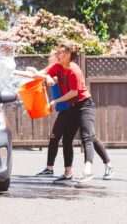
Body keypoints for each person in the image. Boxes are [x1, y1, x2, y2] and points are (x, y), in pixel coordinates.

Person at [39, 41, 113, 182]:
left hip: (84, 105)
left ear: (68, 55)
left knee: (88, 136)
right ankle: (68, 173)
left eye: (61, 53)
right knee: (67, 138)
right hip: (71, 107)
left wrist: (56, 101)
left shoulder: (74, 70)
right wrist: (40, 76)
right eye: (58, 52)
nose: (58, 55)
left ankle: (94, 168)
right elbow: (43, 74)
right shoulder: (58, 66)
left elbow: (74, 92)